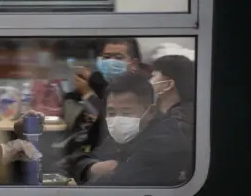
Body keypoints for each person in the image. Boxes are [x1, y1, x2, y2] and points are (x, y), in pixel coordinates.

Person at [60, 72, 193, 186]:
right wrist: (93, 168)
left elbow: (116, 185)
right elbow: (71, 162)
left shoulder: (165, 143)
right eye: (111, 113)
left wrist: (92, 173)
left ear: (151, 111)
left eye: (126, 113)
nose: (117, 119)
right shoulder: (122, 137)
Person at [58, 38, 145, 156]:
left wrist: (88, 95)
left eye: (118, 58)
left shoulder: (141, 92)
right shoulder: (86, 87)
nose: (110, 62)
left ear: (133, 64)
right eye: (106, 57)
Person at [150, 54, 196, 141]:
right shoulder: (167, 115)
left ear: (168, 85)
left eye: (154, 76)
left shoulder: (179, 124)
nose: (149, 81)